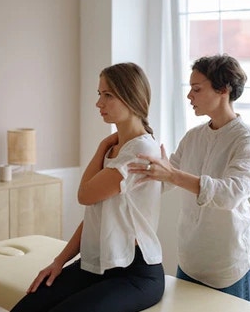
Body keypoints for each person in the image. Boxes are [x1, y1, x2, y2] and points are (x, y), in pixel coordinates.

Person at [11, 62, 165, 312]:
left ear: (130, 97)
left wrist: (101, 146)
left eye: (107, 95)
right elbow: (96, 215)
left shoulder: (141, 151)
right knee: (27, 307)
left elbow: (85, 196)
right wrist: (59, 261)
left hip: (135, 274)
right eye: (99, 94)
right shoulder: (118, 149)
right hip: (98, 264)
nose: (99, 103)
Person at [128, 54, 250, 302]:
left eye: (197, 89)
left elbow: (230, 194)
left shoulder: (246, 140)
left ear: (223, 90)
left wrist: (172, 174)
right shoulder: (193, 136)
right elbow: (167, 179)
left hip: (228, 267)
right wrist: (136, 176)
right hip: (190, 262)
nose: (189, 96)